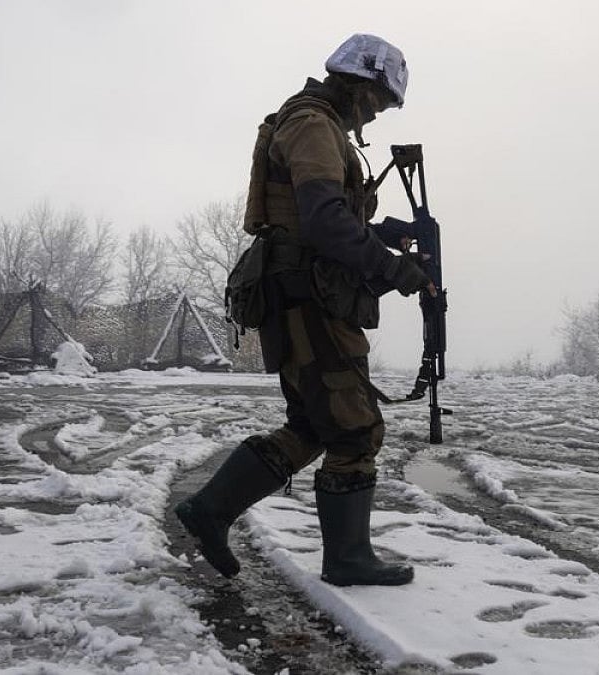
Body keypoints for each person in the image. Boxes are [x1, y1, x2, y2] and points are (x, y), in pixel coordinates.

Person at [174, 33, 434, 587]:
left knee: (314, 425)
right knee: (355, 431)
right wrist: (392, 269)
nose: (379, 114)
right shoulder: (315, 125)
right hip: (310, 300)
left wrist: (387, 234)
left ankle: (210, 511)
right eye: (381, 102)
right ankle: (346, 560)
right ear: (360, 85)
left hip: (303, 295)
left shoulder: (312, 124)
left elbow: (323, 214)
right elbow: (323, 222)